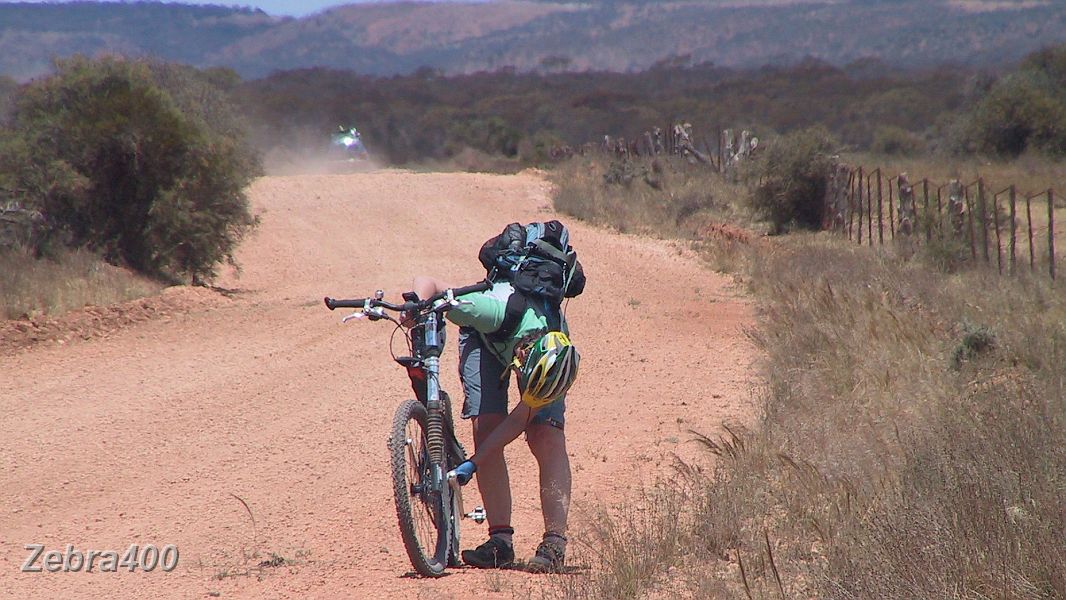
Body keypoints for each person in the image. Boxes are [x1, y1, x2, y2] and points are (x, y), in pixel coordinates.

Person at [408, 271, 580, 574]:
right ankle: (500, 542)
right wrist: (416, 307)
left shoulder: (558, 357)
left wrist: (473, 463)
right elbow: (430, 282)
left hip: (536, 355)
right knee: (486, 426)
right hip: (485, 339)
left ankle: (555, 544)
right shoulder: (487, 310)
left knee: (546, 435)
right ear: (523, 359)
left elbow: (519, 418)